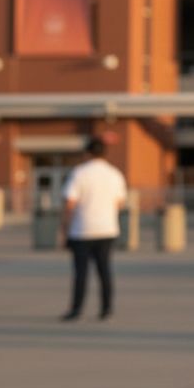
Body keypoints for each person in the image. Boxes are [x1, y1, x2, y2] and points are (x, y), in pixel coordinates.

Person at [58, 135, 128, 321]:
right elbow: (120, 203)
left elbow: (70, 203)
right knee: (104, 270)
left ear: (87, 153)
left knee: (81, 272)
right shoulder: (115, 174)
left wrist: (64, 229)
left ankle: (76, 309)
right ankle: (106, 309)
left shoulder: (79, 173)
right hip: (107, 229)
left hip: (82, 230)